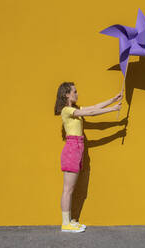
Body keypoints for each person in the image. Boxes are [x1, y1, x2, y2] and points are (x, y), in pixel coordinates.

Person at [54, 81, 123, 233]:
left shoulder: (75, 109)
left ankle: (70, 220)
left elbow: (94, 107)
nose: (77, 94)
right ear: (66, 94)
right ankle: (65, 223)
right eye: (74, 91)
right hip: (72, 149)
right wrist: (113, 109)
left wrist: (113, 99)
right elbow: (90, 113)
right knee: (68, 189)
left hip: (78, 148)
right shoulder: (66, 110)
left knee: (72, 189)